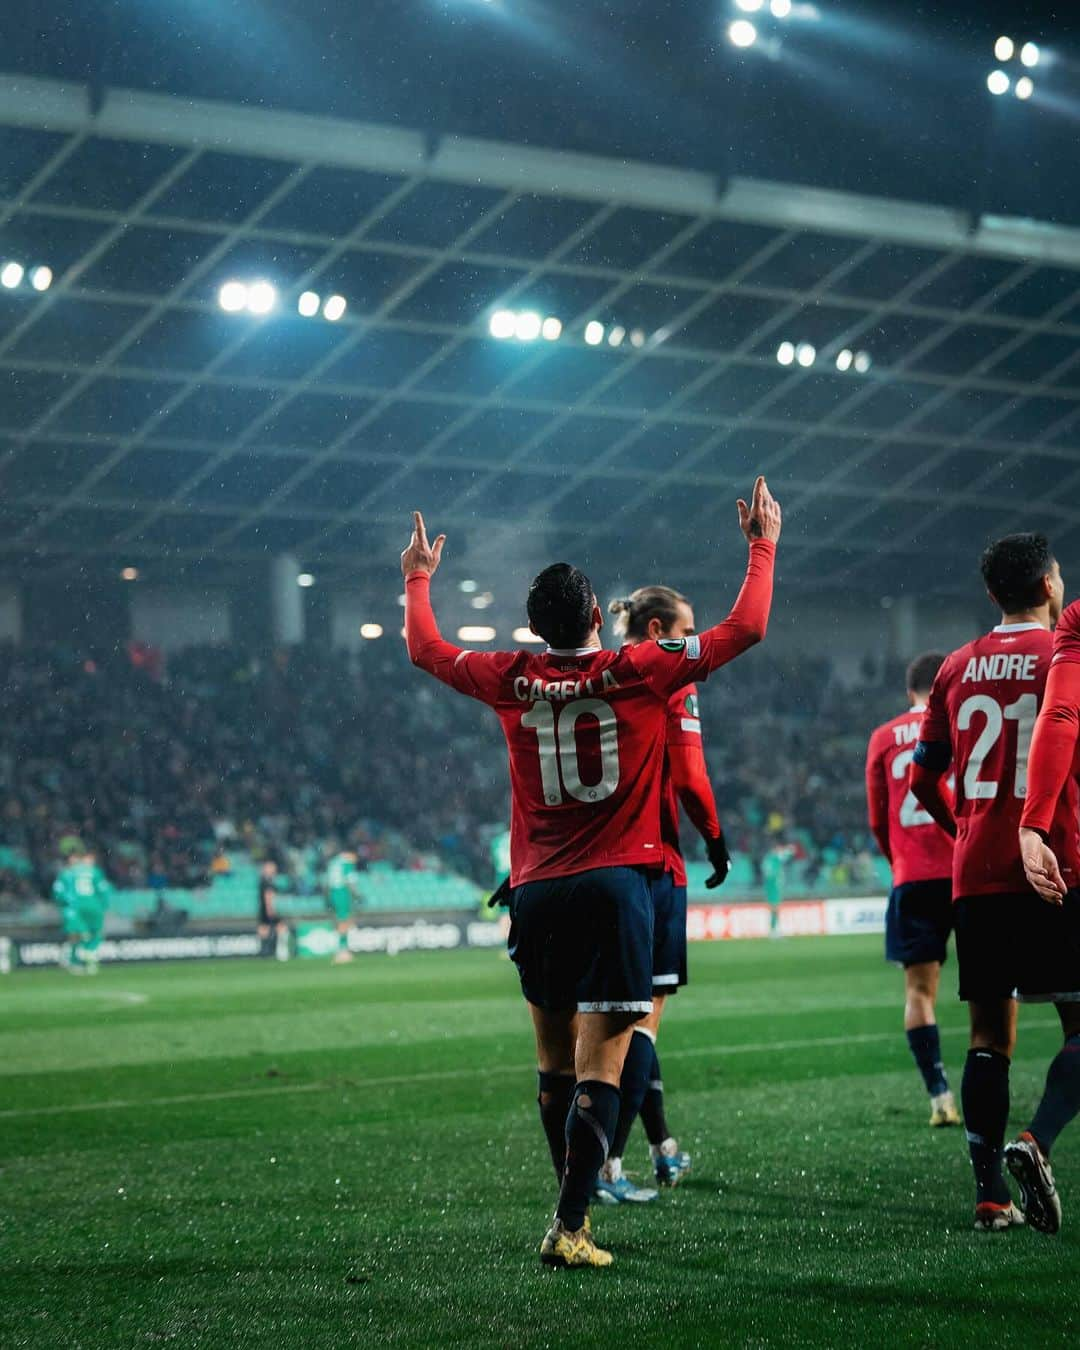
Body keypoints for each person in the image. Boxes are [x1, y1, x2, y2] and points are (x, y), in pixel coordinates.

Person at [403, 477, 781, 1268]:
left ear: (534, 626)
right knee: (603, 1062)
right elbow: (745, 627)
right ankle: (571, 1225)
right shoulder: (642, 667)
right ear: (599, 613)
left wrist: (417, 577)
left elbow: (426, 649)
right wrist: (761, 541)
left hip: (536, 889)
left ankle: (568, 1200)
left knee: (552, 1065)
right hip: (616, 885)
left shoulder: (509, 675)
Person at [910, 532, 1075, 1232]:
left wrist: (966, 833)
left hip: (976, 872)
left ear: (991, 595)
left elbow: (923, 780)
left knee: (986, 1036)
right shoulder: (1064, 655)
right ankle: (1035, 1139)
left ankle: (988, 1197)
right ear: (1047, 586)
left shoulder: (955, 666)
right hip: (1057, 862)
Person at [593, 584, 733, 1205]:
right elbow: (692, 777)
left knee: (607, 1025)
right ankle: (606, 1164)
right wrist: (715, 838)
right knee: (641, 1023)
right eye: (686, 629)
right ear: (657, 631)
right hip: (650, 865)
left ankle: (662, 1148)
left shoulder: (582, 674)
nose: (691, 642)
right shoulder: (667, 677)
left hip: (581, 869)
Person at [865, 652, 960, 1128]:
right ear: (944, 686)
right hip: (968, 873)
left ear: (910, 692)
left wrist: (900, 860)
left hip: (914, 878)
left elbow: (877, 820)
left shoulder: (883, 738)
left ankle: (940, 1095)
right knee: (995, 992)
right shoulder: (959, 725)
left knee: (919, 993)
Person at [1011, 592, 1080, 1235]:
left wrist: (1034, 827)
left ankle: (1039, 1143)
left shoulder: (1077, 621)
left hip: (1068, 863)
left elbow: (1058, 715)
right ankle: (1037, 1139)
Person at [52, 849, 111, 975]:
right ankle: (80, 959)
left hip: (76, 907)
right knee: (83, 934)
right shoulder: (94, 872)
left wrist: (65, 902)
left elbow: (57, 892)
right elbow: (104, 890)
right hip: (89, 906)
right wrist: (104, 906)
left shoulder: (68, 873)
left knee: (80, 934)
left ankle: (79, 960)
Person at [325, 847, 361, 965]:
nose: (355, 860)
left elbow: (328, 881)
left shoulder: (333, 862)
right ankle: (342, 950)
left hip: (333, 893)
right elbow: (351, 881)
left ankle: (342, 949)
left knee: (342, 921)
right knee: (344, 921)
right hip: (342, 892)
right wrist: (357, 895)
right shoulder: (346, 863)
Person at [257, 858, 290, 961]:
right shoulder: (267, 882)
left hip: (263, 910)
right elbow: (269, 896)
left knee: (264, 929)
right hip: (268, 909)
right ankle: (281, 952)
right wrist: (270, 909)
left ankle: (265, 952)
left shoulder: (264, 881)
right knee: (281, 928)